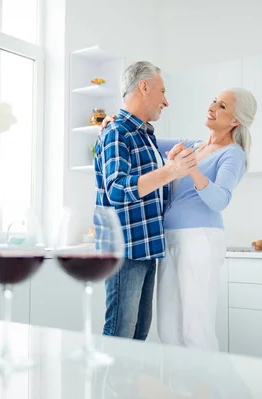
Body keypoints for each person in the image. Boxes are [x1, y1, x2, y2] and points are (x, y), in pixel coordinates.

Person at [94, 61, 197, 340]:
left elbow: (197, 146)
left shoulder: (145, 136)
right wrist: (171, 171)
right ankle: (103, 386)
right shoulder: (117, 132)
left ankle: (123, 387)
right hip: (124, 250)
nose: (166, 101)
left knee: (138, 336)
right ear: (144, 87)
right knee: (120, 335)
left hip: (146, 248)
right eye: (162, 91)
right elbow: (116, 189)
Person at [156, 88, 257, 351]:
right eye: (214, 101)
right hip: (170, 238)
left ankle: (205, 389)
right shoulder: (194, 146)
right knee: (167, 329)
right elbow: (147, 140)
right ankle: (178, 391)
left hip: (199, 239)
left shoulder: (233, 154)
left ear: (235, 120)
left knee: (195, 329)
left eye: (222, 106)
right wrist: (113, 123)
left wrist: (190, 169)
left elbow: (220, 199)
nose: (212, 107)